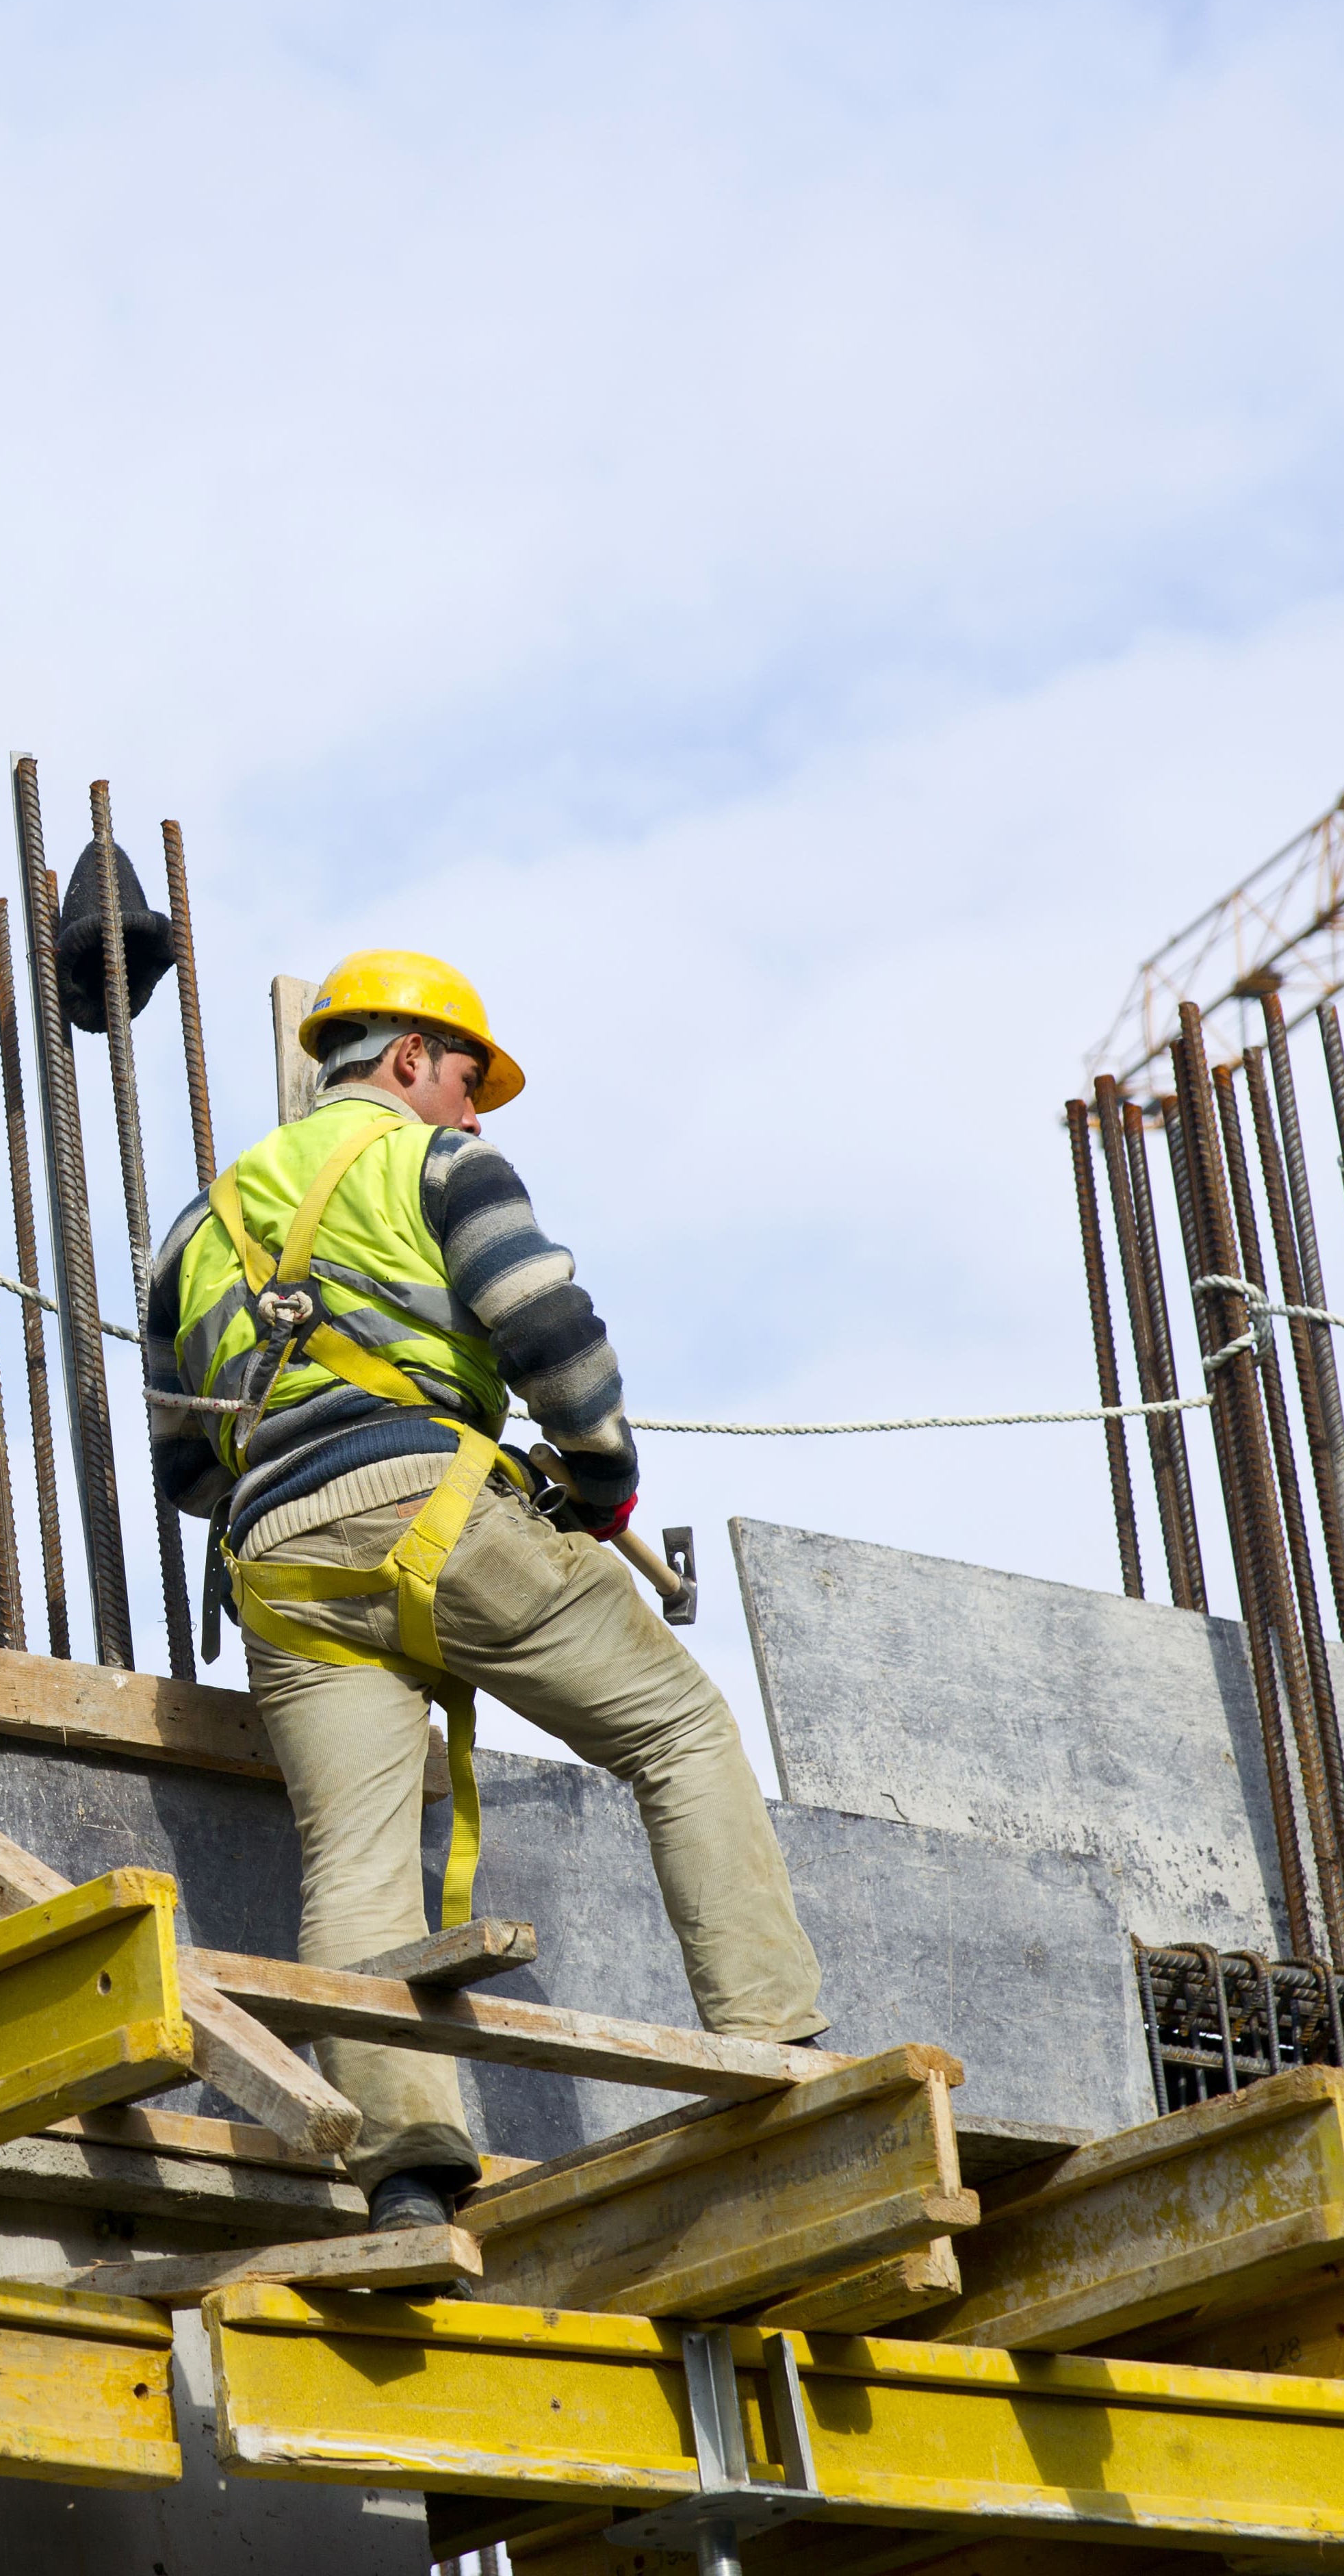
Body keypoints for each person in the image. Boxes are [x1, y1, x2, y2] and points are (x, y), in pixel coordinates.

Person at [144, 950, 825, 2226]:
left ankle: (404, 2173)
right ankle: (778, 2052)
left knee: (352, 1862)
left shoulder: (194, 1229)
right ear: (405, 1061)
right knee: (678, 1731)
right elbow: (549, 1332)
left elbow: (185, 1466)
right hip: (441, 1514)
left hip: (280, 1565)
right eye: (465, 1080)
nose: (473, 1109)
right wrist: (601, 1481)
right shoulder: (438, 1164)